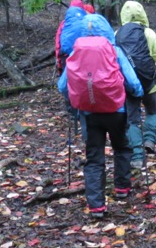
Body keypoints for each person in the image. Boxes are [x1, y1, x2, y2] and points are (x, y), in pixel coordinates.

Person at [58, 14, 144, 219]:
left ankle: (96, 205)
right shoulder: (114, 50)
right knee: (122, 147)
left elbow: (62, 86)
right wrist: (138, 93)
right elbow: (132, 81)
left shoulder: (75, 52)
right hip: (117, 110)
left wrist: (77, 99)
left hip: (89, 113)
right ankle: (122, 188)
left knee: (94, 157)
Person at [116, 1, 156, 169]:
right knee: (152, 111)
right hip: (149, 82)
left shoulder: (116, 35)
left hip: (127, 85)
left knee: (132, 119)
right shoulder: (148, 32)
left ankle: (136, 156)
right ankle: (149, 140)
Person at [55, 0, 86, 75]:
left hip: (66, 56)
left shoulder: (64, 23)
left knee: (67, 82)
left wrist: (59, 65)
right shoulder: (87, 22)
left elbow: (58, 44)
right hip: (83, 57)